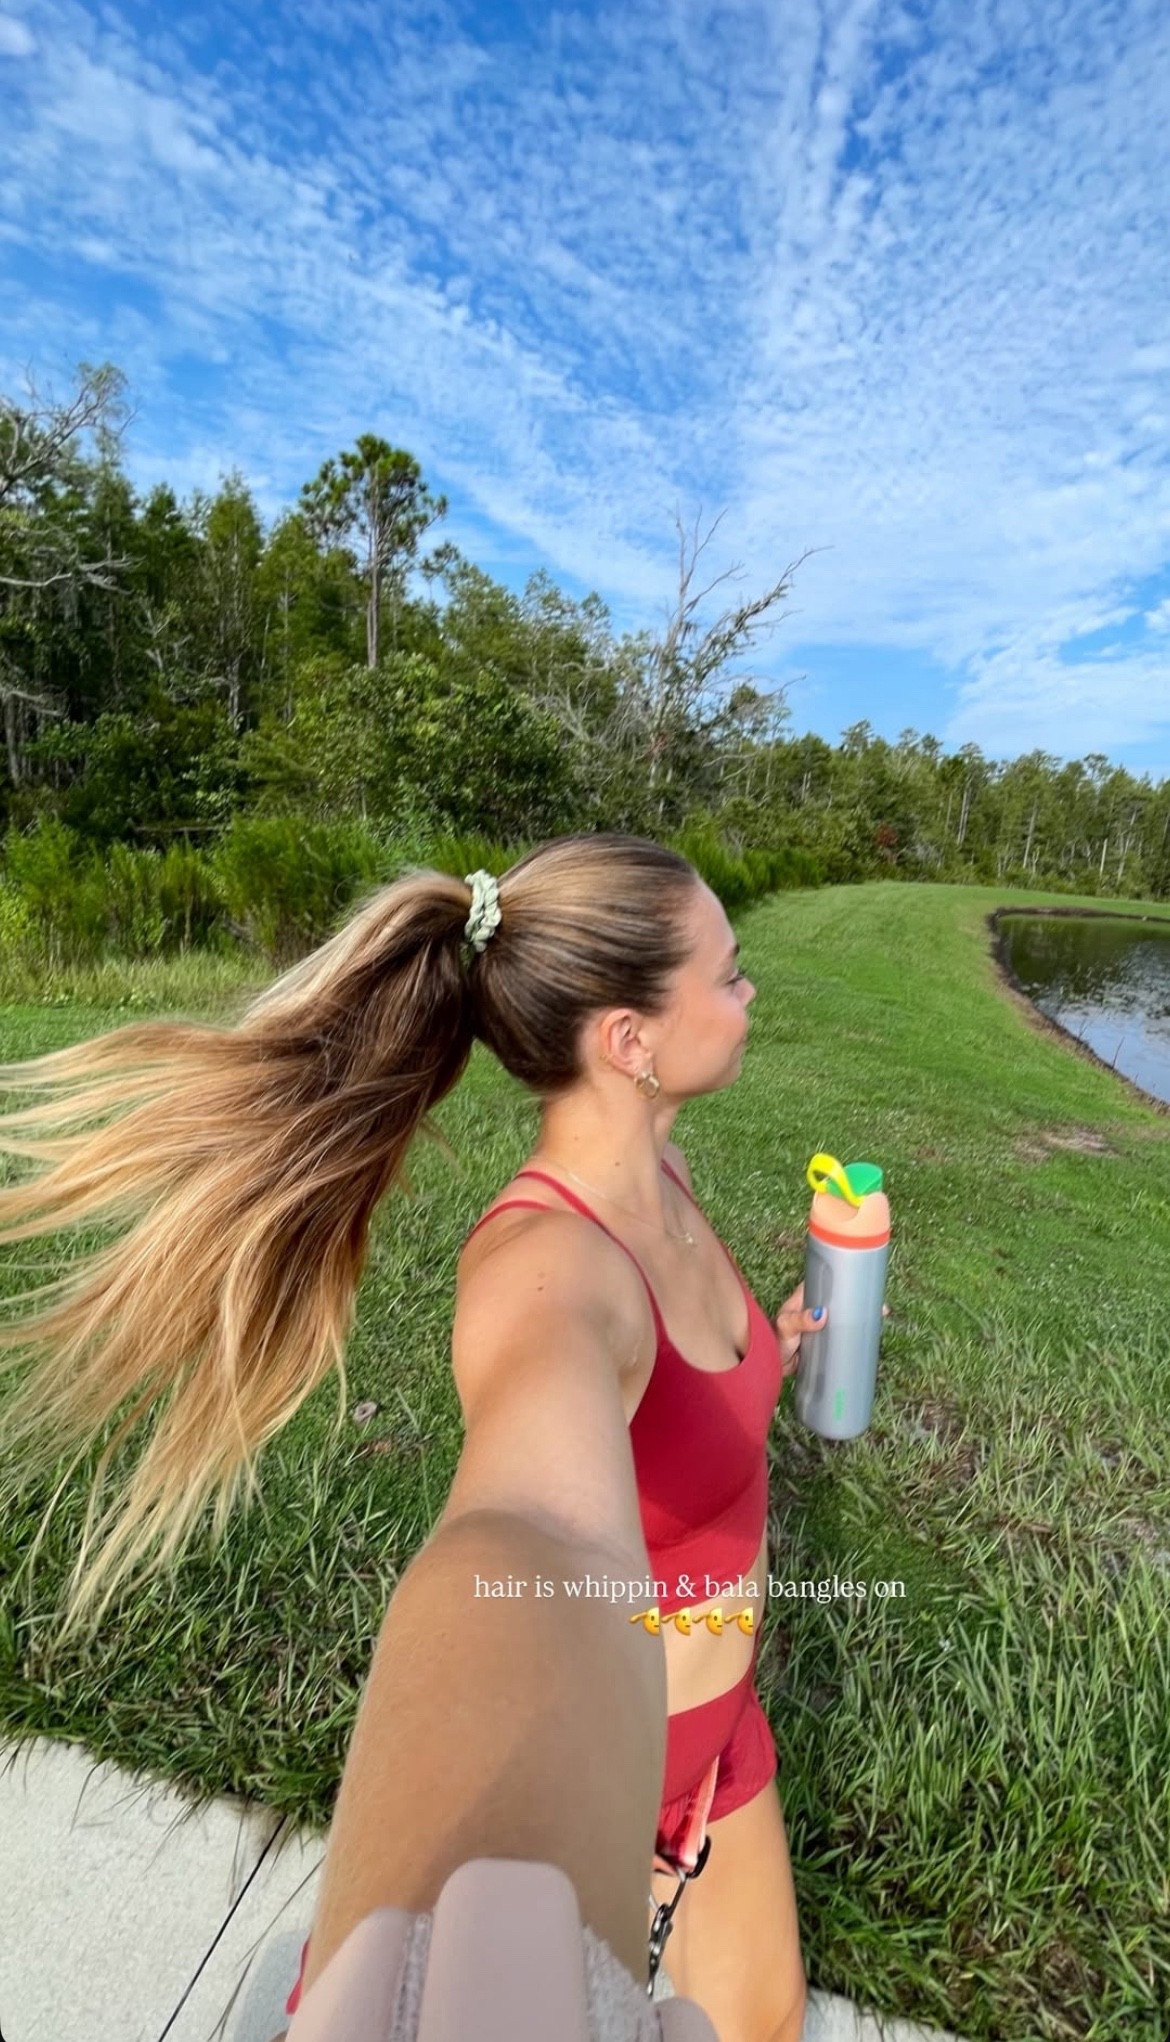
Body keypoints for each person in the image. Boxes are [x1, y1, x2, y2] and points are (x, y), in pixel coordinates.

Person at [0, 833, 880, 2041]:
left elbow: (680, 1415)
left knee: (769, 2019)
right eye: (729, 973)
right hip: (625, 1764)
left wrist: (766, 1346)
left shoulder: (660, 1177)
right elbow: (529, 1528)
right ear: (630, 1038)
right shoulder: (551, 1263)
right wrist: (418, 1936)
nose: (750, 992)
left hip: (730, 1742)